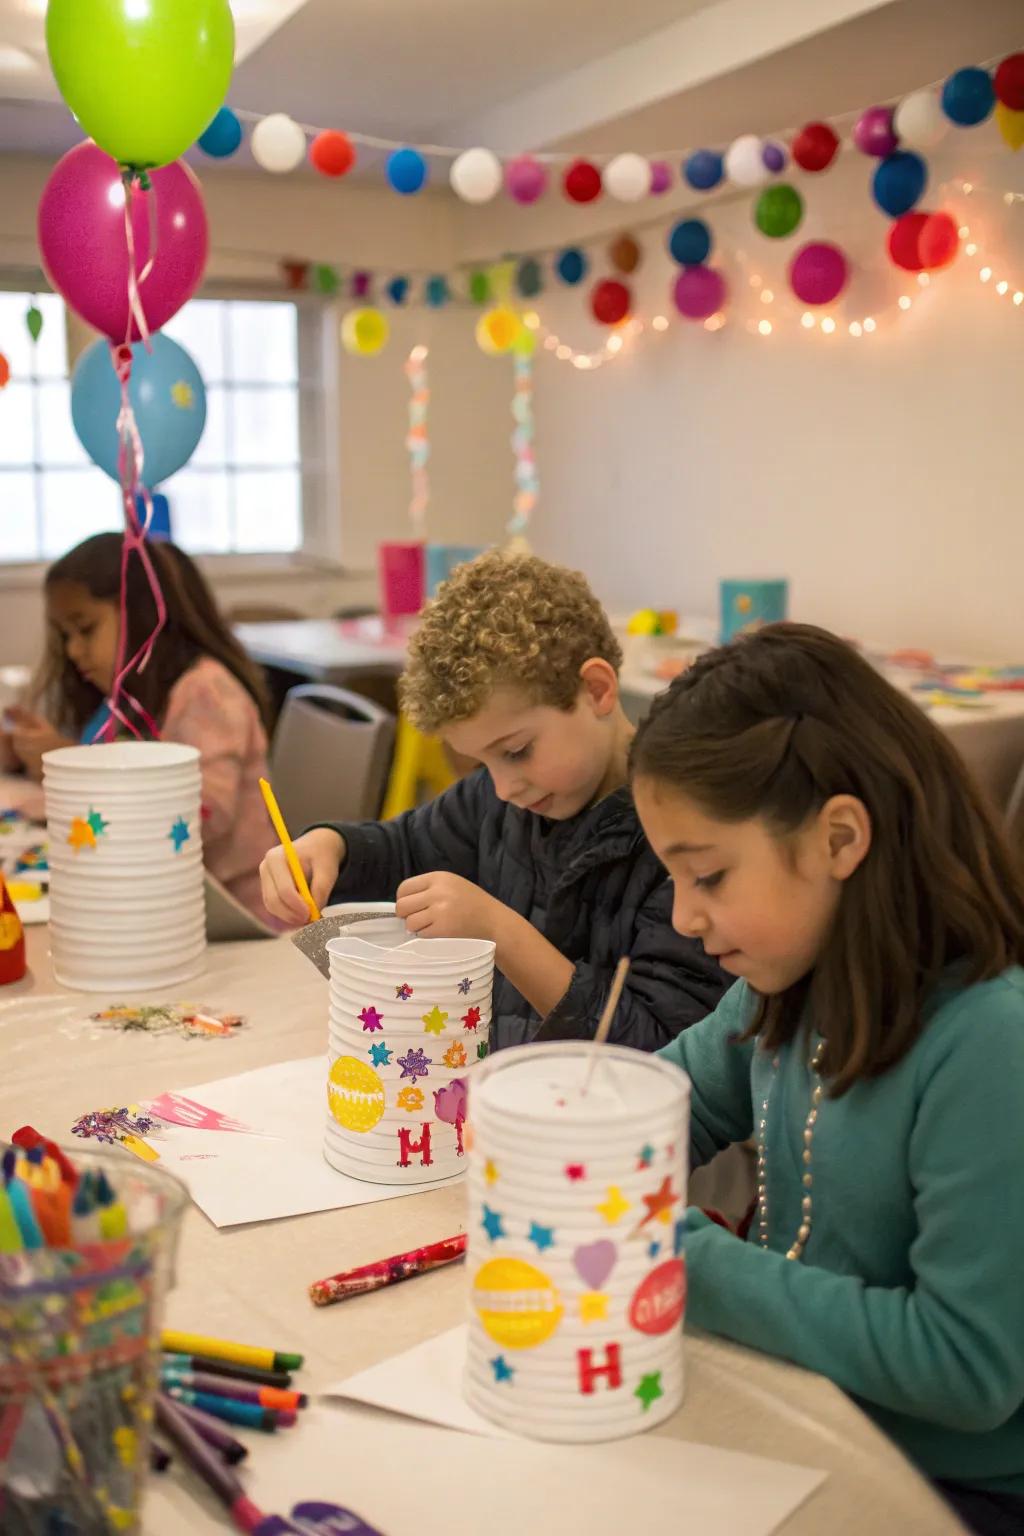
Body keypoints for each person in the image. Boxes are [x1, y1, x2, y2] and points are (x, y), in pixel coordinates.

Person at [630, 622, 1024, 1536]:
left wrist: (686, 1260)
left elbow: (966, 1367)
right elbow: (660, 1110)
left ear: (840, 837)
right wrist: (563, 1131)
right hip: (797, 1413)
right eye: (672, 882)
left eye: (710, 876)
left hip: (944, 1490)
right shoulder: (781, 984)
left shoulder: (988, 1044)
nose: (686, 918)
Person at [262, 552, 727, 1049]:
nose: (505, 787)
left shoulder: (678, 838)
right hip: (496, 1099)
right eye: (484, 763)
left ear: (596, 690)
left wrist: (499, 931)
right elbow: (405, 848)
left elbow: (656, 1046)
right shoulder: (502, 800)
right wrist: (331, 847)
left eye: (517, 751)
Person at [1, 532, 276, 919]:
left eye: (86, 629)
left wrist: (76, 765)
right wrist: (25, 756)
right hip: (163, 901)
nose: (73, 650)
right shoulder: (128, 697)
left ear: (143, 618)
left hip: (237, 913)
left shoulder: (205, 692)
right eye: (66, 635)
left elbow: (204, 817)